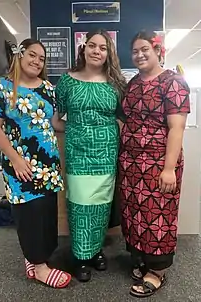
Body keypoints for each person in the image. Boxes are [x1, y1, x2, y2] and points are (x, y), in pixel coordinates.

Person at [0, 38, 71, 288]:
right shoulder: (1, 87)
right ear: (19, 55)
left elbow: (54, 123)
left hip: (48, 166)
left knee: (45, 215)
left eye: (42, 58)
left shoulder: (46, 87)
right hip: (21, 165)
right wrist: (16, 159)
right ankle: (39, 267)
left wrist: (82, 127)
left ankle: (36, 258)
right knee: (29, 215)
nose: (37, 61)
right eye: (32, 55)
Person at [118, 31, 190, 298]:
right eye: (135, 51)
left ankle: (157, 271)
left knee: (158, 216)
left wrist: (169, 168)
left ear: (158, 50)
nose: (139, 55)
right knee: (136, 215)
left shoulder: (173, 82)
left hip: (160, 163)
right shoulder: (133, 83)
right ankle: (142, 259)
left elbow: (176, 128)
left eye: (145, 49)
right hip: (132, 164)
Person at [55, 29, 126, 282]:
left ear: (109, 53)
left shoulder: (116, 83)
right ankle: (80, 256)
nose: (97, 51)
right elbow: (56, 120)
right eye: (92, 45)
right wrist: (79, 130)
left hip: (106, 153)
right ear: (83, 48)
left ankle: (95, 250)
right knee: (79, 202)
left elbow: (122, 119)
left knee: (101, 204)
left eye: (103, 47)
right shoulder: (67, 81)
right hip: (78, 154)